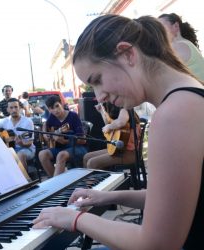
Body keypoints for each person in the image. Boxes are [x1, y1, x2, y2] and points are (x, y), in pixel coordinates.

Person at [32, 15, 204, 249]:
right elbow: (175, 199)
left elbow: (156, 244)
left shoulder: (174, 114)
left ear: (128, 54)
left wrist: (76, 219)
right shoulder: (190, 95)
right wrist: (111, 196)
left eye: (97, 79)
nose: (99, 95)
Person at [38, 95, 87, 177]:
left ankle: (56, 185)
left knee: (61, 155)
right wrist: (45, 134)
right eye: (51, 109)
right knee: (42, 154)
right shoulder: (52, 118)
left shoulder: (73, 116)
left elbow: (83, 140)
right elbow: (46, 127)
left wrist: (66, 141)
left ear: (61, 104)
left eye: (57, 106)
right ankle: (55, 180)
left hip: (77, 147)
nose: (55, 110)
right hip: (60, 148)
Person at [83, 102, 140, 170]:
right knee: (86, 157)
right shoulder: (119, 113)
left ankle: (99, 180)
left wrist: (109, 127)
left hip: (130, 153)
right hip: (120, 150)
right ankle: (98, 178)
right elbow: (109, 123)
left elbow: (120, 122)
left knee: (92, 163)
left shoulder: (125, 108)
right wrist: (101, 111)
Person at [0, 98, 35, 170]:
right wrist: (2, 139)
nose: (14, 110)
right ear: (7, 109)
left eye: (16, 107)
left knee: (20, 155)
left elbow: (30, 143)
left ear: (20, 108)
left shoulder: (28, 122)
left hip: (27, 149)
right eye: (11, 108)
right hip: (10, 149)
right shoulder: (5, 121)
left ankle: (26, 180)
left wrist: (22, 143)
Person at [158, 13, 204, 81]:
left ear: (176, 26)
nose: (158, 31)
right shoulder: (186, 43)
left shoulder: (178, 46)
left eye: (161, 27)